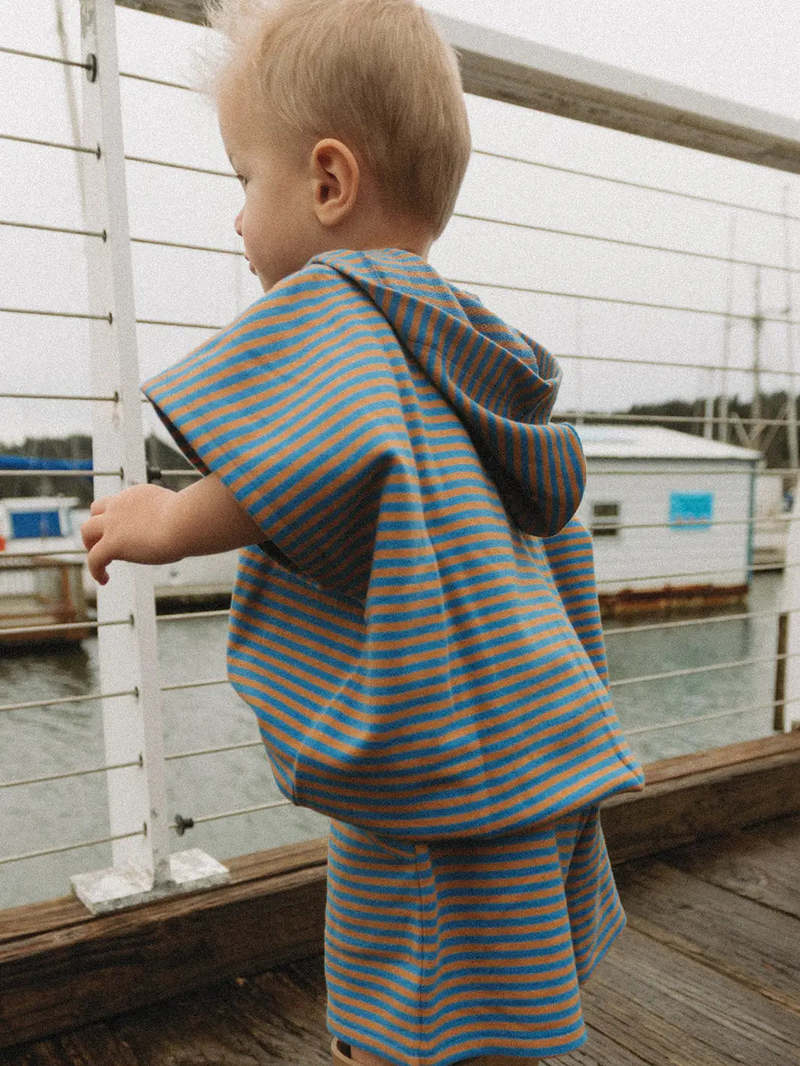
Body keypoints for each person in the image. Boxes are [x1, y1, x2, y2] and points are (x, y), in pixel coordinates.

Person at [81, 2, 645, 1064]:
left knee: (407, 1001)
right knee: (510, 1000)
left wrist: (168, 518)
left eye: (244, 178)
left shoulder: (336, 304)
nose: (236, 220)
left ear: (329, 182)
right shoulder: (465, 344)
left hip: (440, 773)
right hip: (535, 756)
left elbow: (298, 455)